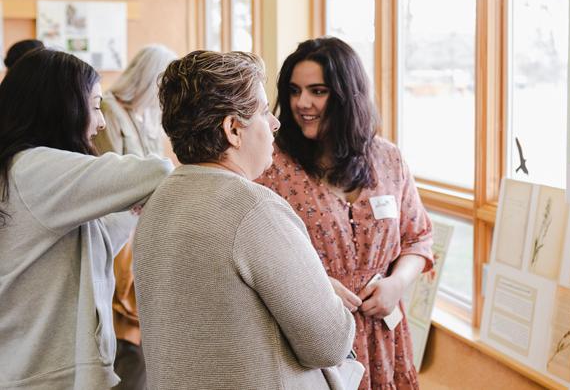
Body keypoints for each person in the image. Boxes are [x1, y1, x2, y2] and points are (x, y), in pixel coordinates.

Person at [133, 50, 355, 390]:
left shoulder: (161, 199)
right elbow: (329, 343)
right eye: (265, 112)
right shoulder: (254, 210)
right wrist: (326, 292)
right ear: (233, 129)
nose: (276, 123)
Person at [257, 37, 434, 389]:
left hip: (384, 336)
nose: (301, 103)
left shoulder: (387, 158)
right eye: (293, 91)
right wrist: (316, 285)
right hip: (313, 336)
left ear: (346, 96)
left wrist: (395, 284)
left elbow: (419, 238)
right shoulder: (271, 165)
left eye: (317, 91)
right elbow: (257, 256)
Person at [0, 48, 173, 389]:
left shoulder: (23, 172)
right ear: (62, 109)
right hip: (42, 374)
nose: (102, 121)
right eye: (95, 106)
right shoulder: (36, 169)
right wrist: (135, 192)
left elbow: (93, 241)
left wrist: (130, 209)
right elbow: (158, 170)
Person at [93, 44, 176, 390]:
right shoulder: (109, 110)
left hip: (138, 233)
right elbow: (112, 177)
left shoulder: (144, 118)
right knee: (128, 339)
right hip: (118, 235)